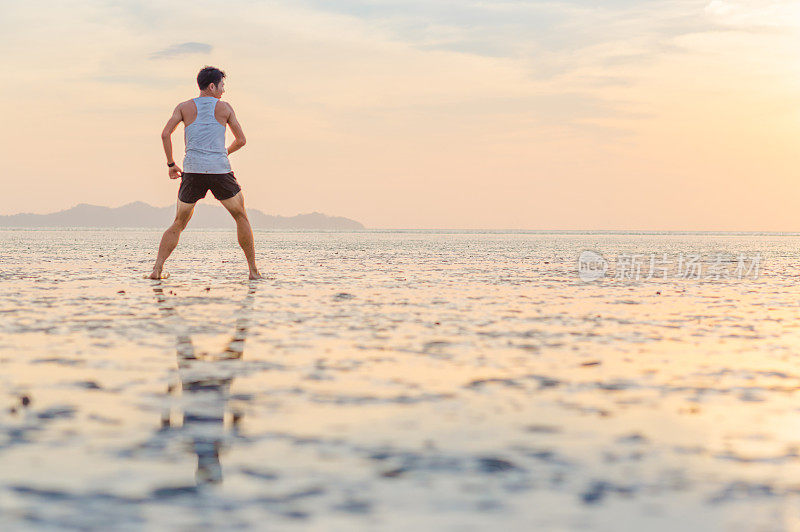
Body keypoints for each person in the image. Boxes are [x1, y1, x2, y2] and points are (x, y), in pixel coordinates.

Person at [149, 66, 262, 280]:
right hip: (219, 170)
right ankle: (253, 272)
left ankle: (156, 270)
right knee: (241, 217)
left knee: (179, 223)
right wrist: (223, 153)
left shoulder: (183, 107)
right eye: (222, 86)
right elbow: (242, 140)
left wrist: (171, 164)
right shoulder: (225, 108)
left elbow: (165, 134)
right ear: (212, 86)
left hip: (192, 171)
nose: (223, 91)